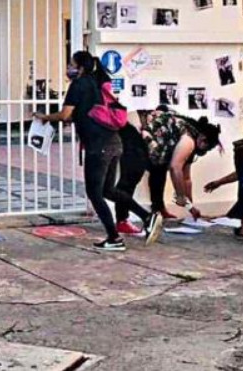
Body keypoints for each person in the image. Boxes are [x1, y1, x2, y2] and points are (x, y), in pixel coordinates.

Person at [34, 51, 162, 251]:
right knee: (108, 190)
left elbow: (65, 114)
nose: (68, 69)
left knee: (95, 193)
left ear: (81, 67)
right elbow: (75, 115)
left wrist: (45, 117)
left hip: (98, 147)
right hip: (114, 143)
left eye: (71, 64)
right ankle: (148, 216)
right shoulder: (98, 81)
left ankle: (114, 238)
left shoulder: (79, 84)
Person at [123, 108, 222, 232]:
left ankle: (158, 209)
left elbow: (186, 179)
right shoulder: (189, 140)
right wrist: (180, 195)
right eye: (206, 148)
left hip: (143, 134)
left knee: (159, 170)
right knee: (132, 175)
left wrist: (190, 207)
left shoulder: (192, 140)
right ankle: (122, 219)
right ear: (202, 139)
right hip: (134, 127)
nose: (205, 151)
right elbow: (175, 168)